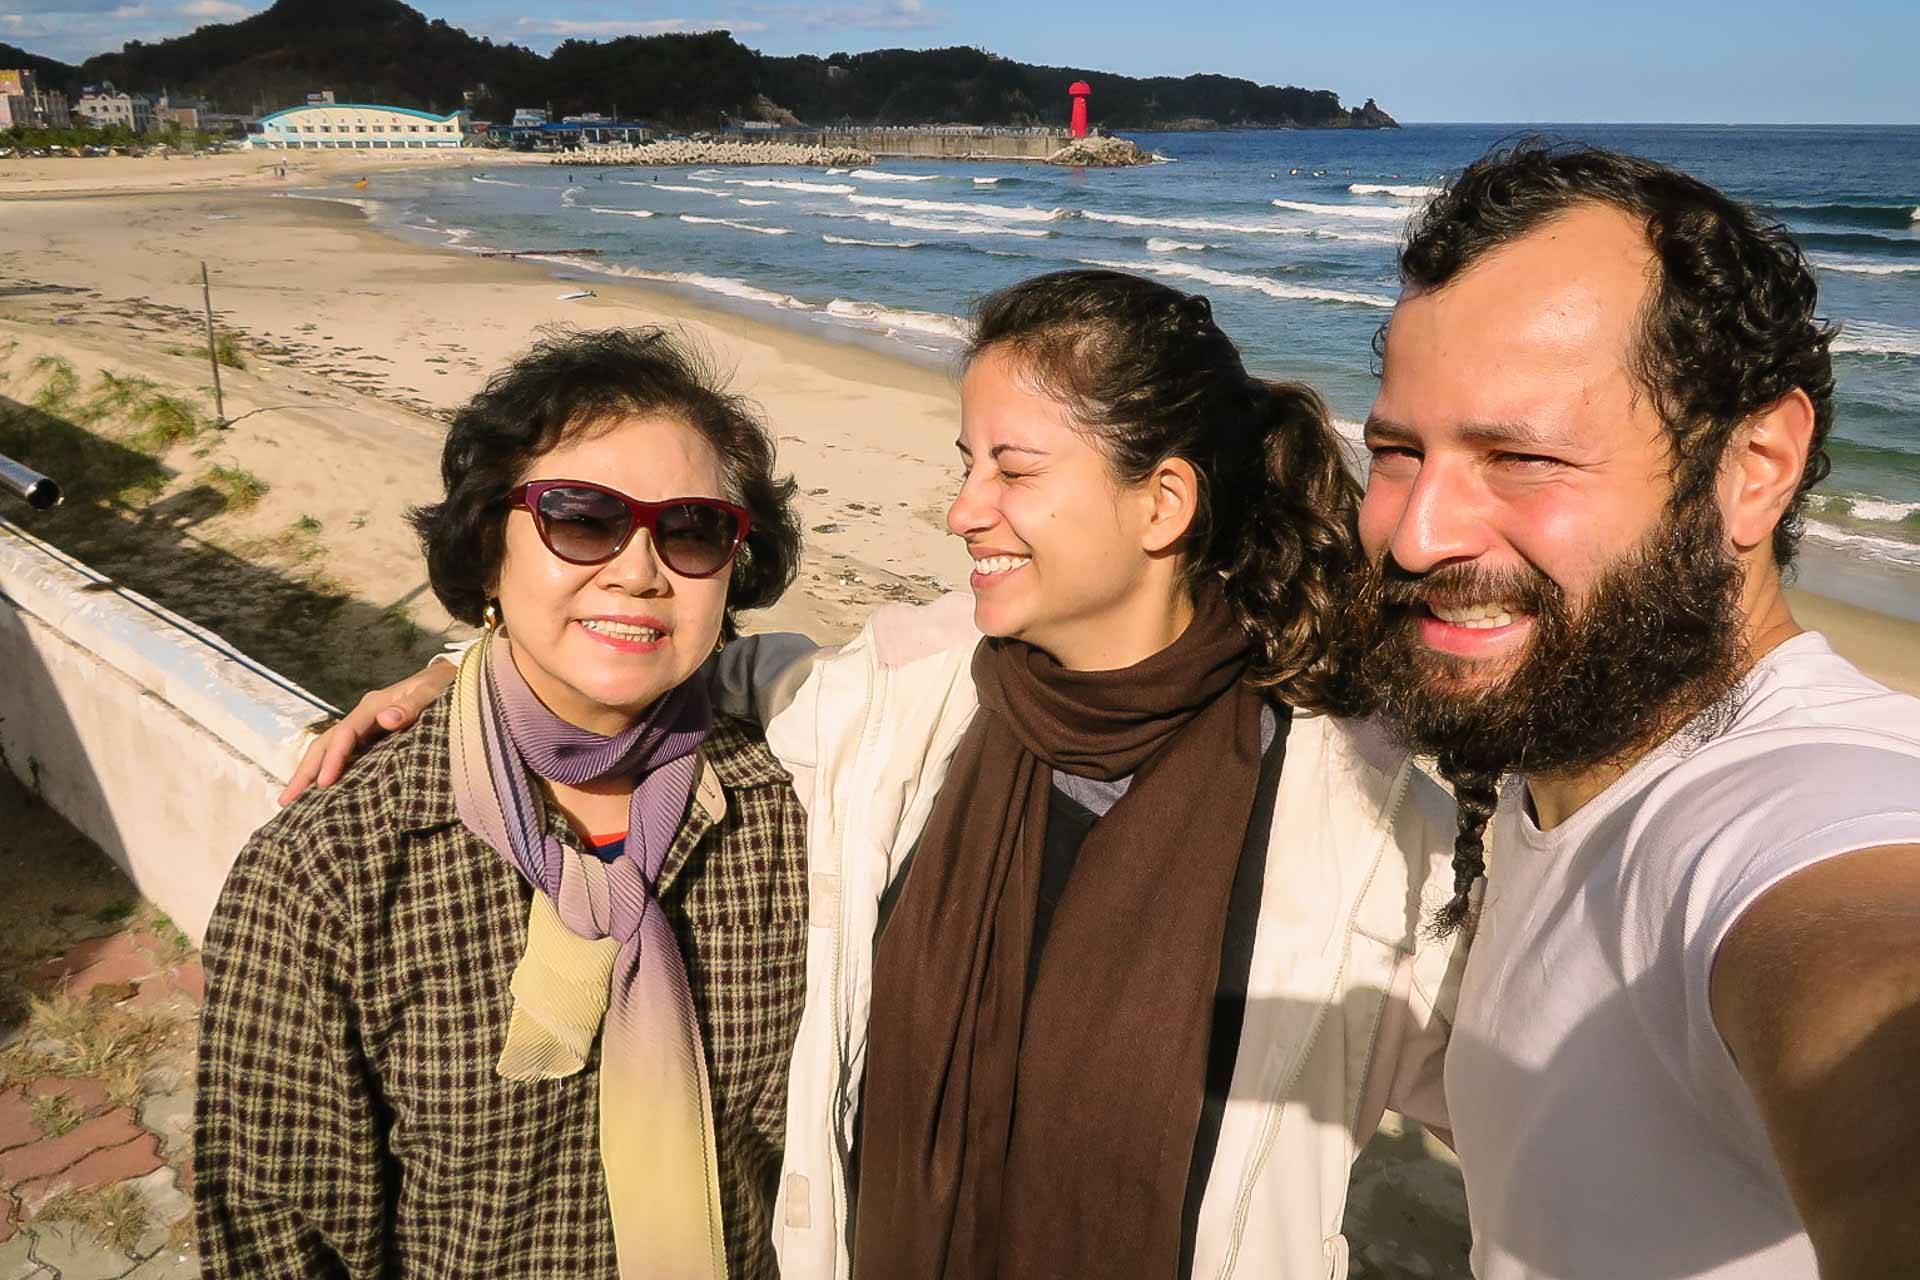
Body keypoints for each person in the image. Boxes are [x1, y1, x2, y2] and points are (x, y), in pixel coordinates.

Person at [285, 271, 1466, 1279]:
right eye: (968, 464)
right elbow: (679, 665)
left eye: (1013, 470)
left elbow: (1548, 1095)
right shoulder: (903, 701)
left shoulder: (1356, 808)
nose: (963, 510)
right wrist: (464, 670)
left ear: (1162, 500)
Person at [1348, 142, 1920, 1278]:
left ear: (1755, 465)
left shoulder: (1795, 809)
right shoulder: (1567, 743)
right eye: (1399, 450)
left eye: (1521, 455)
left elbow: (1860, 966)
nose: (1418, 534)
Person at [196, 328, 809, 1279]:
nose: (639, 570)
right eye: (581, 518)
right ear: (490, 550)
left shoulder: (796, 815)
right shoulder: (337, 867)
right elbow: (278, 1235)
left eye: (689, 529)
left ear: (733, 566)